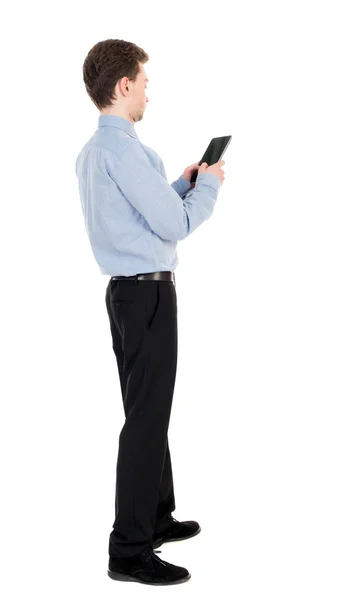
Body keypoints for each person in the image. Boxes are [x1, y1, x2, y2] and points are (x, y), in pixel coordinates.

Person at [75, 38, 225, 586]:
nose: (146, 91)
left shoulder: (96, 153)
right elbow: (174, 225)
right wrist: (207, 188)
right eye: (143, 81)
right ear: (123, 85)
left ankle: (156, 516)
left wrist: (182, 183)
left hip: (125, 295)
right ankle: (129, 550)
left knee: (147, 410)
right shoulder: (124, 150)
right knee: (145, 418)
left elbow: (142, 214)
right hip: (149, 296)